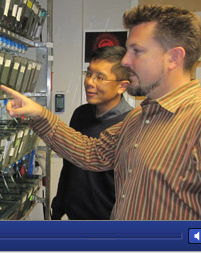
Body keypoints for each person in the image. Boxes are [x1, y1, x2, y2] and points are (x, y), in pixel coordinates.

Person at [1, 4, 201, 220]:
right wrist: (39, 113)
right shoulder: (140, 117)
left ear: (174, 58)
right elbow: (92, 153)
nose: (125, 61)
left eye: (137, 51)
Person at [51, 46, 133, 220]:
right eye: (89, 74)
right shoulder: (81, 114)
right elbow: (69, 165)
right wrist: (58, 206)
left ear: (122, 86)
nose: (90, 82)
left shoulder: (130, 124)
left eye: (100, 78)